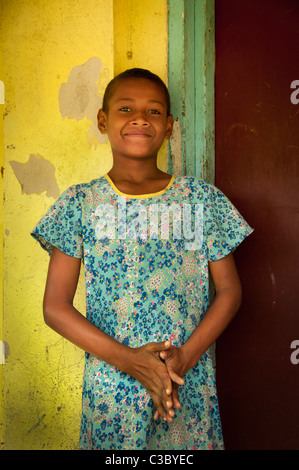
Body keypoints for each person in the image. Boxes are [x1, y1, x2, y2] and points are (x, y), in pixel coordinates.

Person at [31, 68, 253, 450]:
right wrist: (130, 361)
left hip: (186, 381)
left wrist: (182, 359)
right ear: (103, 120)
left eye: (153, 112)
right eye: (125, 108)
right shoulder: (80, 203)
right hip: (112, 385)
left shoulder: (200, 199)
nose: (139, 118)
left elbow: (230, 291)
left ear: (168, 126)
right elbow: (55, 307)